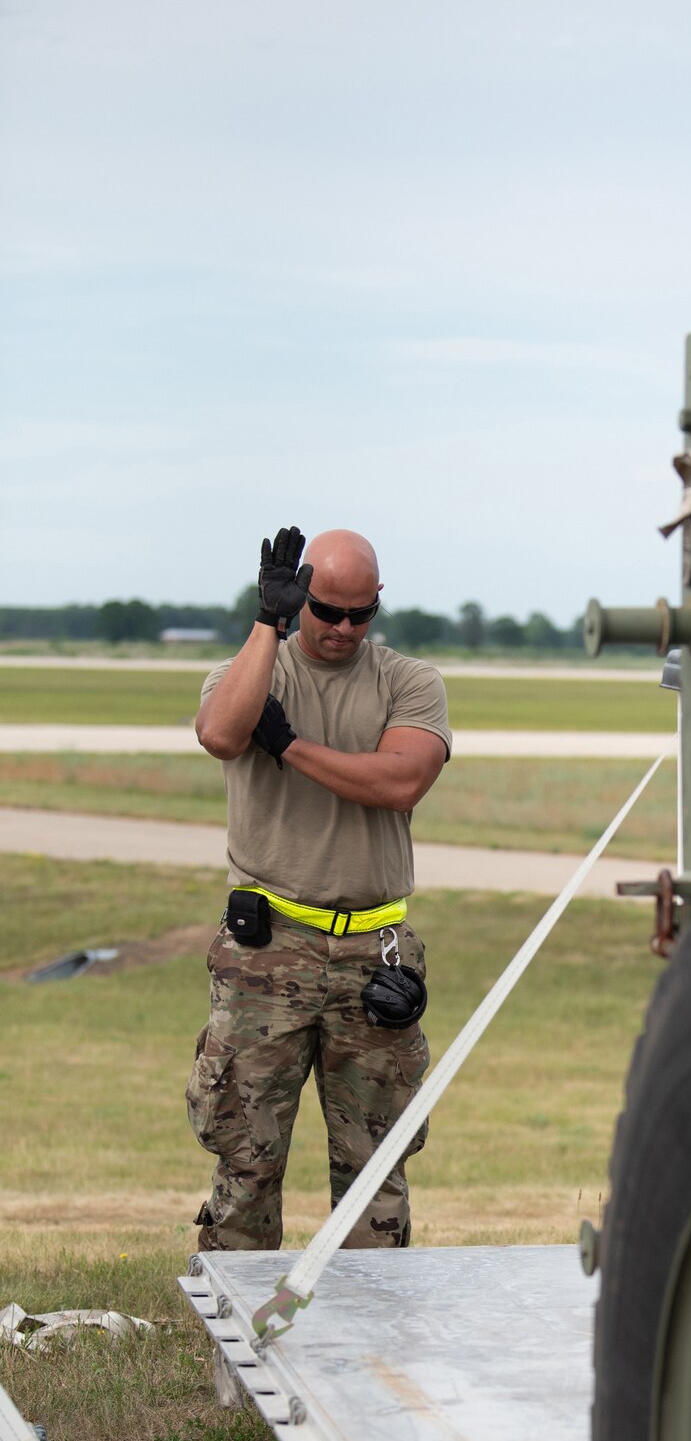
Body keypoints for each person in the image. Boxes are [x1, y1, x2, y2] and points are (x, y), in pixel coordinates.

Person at [188, 525, 451, 1252]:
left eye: (358, 614)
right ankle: (232, 1345)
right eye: (326, 610)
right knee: (247, 1156)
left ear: (377, 605)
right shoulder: (252, 670)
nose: (341, 629)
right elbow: (220, 733)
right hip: (266, 951)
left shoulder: (408, 682)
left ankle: (369, 1346)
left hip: (375, 952)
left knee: (377, 1166)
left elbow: (400, 781)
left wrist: (293, 747)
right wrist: (266, 624)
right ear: (300, 599)